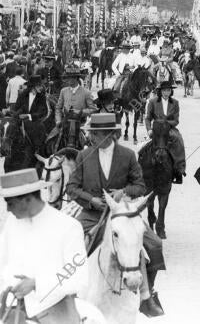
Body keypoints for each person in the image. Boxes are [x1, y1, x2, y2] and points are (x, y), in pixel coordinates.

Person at [65, 113, 164, 317]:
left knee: (154, 244)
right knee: (70, 241)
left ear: (109, 134)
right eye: (91, 133)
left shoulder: (127, 155)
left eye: (95, 133)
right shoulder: (84, 156)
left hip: (122, 214)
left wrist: (123, 192)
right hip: (93, 213)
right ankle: (69, 292)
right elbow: (71, 187)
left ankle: (146, 295)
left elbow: (140, 186)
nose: (90, 137)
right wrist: (90, 200)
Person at [0, 168, 87, 323]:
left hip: (56, 311)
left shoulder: (68, 227)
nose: (7, 209)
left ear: (27, 200)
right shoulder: (12, 223)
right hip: (14, 309)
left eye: (10, 204)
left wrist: (37, 284)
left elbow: (79, 278)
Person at [144, 81, 186, 184]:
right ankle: (141, 168)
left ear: (171, 91)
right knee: (143, 147)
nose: (166, 93)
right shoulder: (153, 101)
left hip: (169, 128)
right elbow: (148, 118)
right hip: (157, 128)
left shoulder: (175, 102)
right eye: (164, 90)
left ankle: (179, 169)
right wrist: (149, 129)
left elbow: (176, 120)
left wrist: (166, 123)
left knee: (178, 140)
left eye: (168, 90)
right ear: (160, 91)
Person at [12, 75, 49, 156]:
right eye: (39, 85)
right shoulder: (23, 95)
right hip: (21, 121)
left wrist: (28, 116)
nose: (41, 87)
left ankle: (38, 151)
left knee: (41, 128)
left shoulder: (41, 97)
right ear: (33, 86)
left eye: (41, 85)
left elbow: (43, 111)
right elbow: (17, 108)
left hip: (34, 121)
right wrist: (18, 114)